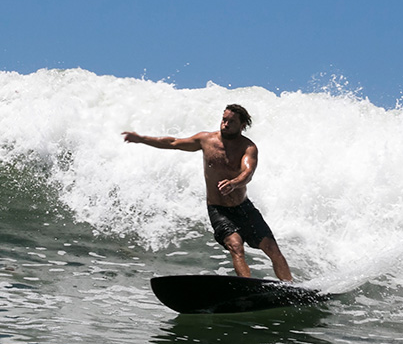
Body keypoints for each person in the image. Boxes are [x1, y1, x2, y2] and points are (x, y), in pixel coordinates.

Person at [122, 104, 294, 282]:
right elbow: (173, 142)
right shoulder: (206, 140)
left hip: (244, 208)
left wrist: (234, 183)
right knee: (235, 246)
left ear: (242, 125)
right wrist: (142, 139)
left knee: (272, 249)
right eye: (224, 119)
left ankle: (292, 289)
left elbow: (248, 172)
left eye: (231, 122)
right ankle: (249, 287)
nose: (225, 124)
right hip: (219, 210)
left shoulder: (248, 147)